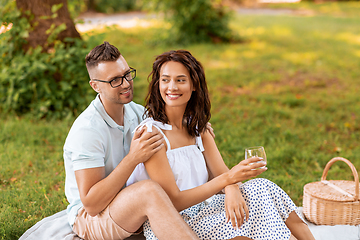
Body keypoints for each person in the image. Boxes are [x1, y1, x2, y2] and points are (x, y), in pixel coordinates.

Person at [126, 50, 316, 240]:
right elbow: (173, 202)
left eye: (181, 80)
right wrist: (229, 180)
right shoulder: (152, 135)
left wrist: (232, 188)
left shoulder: (198, 127)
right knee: (248, 222)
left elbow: (221, 171)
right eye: (165, 80)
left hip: (204, 208)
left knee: (263, 188)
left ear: (193, 85)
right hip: (174, 221)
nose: (172, 87)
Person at [63, 42, 201, 240]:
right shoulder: (87, 130)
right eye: (115, 81)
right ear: (95, 86)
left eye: (127, 74)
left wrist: (195, 126)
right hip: (91, 217)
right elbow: (91, 205)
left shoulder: (137, 113)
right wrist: (132, 158)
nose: (126, 83)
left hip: (128, 203)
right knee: (149, 191)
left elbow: (172, 124)